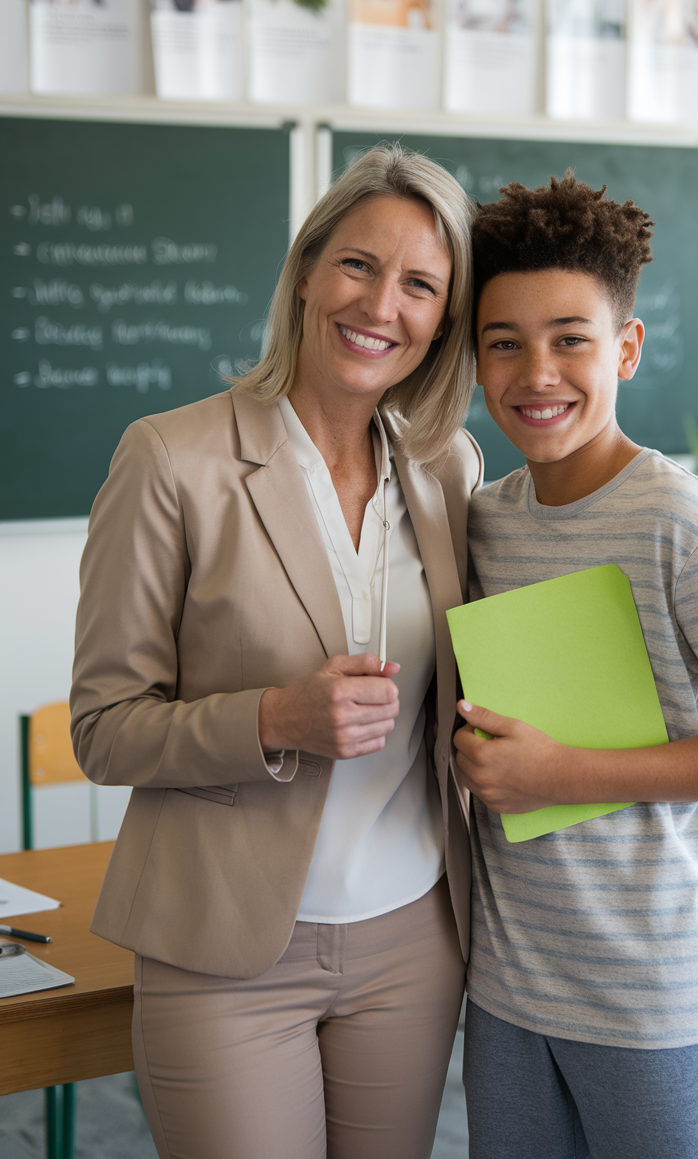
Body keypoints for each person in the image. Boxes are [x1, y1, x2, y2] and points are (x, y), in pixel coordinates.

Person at [71, 145, 482, 1159]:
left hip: (413, 937)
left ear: (443, 319)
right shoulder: (172, 457)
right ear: (305, 270)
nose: (380, 303)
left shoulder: (447, 468)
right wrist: (272, 719)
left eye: (419, 284)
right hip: (225, 950)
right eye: (357, 264)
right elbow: (103, 731)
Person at [453, 173, 698, 1159]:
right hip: (510, 982)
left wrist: (563, 773)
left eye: (570, 338)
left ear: (625, 348)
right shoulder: (482, 520)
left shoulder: (681, 522)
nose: (537, 371)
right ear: (474, 361)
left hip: (657, 994)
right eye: (505, 343)